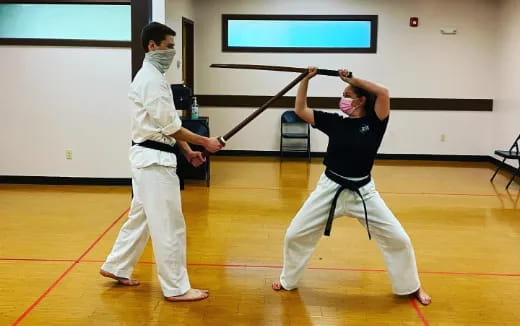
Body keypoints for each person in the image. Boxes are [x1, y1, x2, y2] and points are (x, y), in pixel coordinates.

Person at [272, 67, 431, 305]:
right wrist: (306, 80)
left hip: (364, 192)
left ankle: (411, 286)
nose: (343, 100)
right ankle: (288, 280)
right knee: (295, 234)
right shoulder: (336, 122)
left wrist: (352, 79)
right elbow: (300, 109)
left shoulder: (375, 122)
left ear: (361, 100)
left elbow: (385, 92)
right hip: (329, 188)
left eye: (347, 95)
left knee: (399, 239)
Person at [99, 22, 222, 302]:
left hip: (150, 158)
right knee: (169, 225)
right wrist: (205, 142)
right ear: (152, 46)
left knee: (140, 219)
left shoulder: (153, 77)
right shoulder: (151, 80)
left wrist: (188, 150)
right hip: (154, 163)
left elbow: (167, 126)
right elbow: (169, 127)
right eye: (168, 46)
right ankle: (176, 288)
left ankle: (116, 265)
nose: (172, 52)